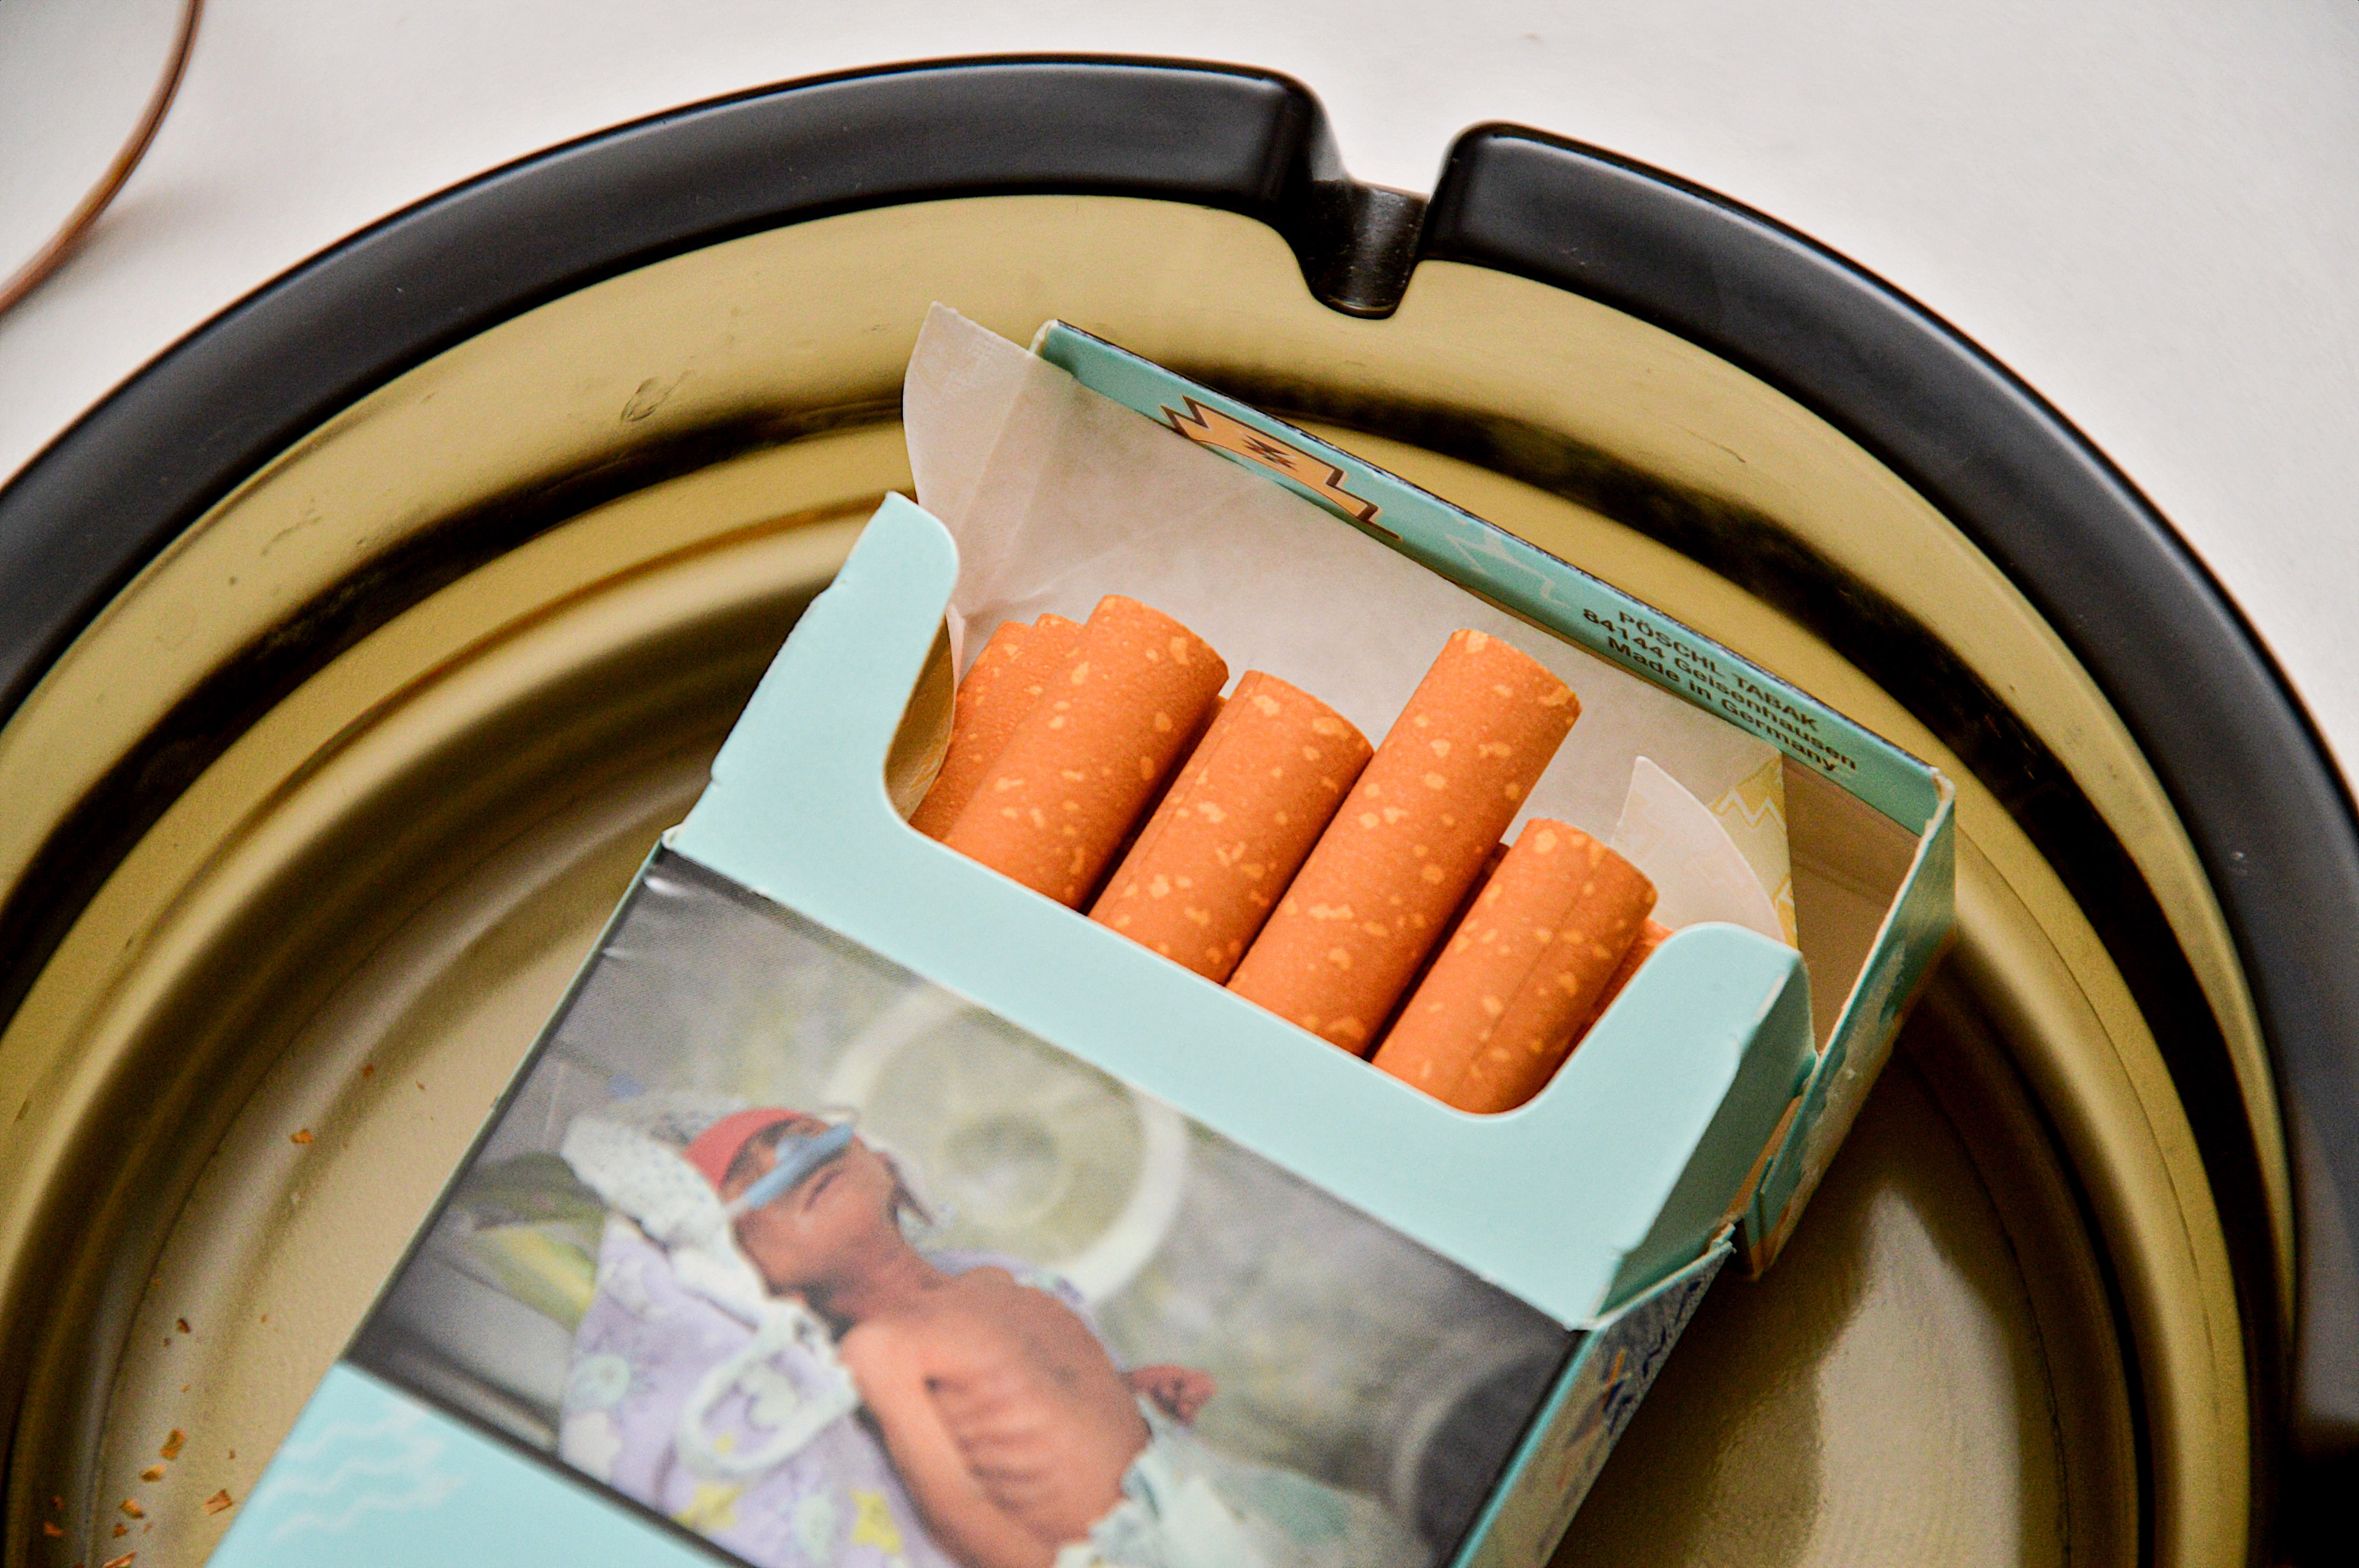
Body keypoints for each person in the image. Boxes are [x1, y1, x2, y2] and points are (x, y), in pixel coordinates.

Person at [690, 1109, 1419, 1568]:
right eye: (748, 1182)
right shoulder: (882, 1349)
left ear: (884, 1164)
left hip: (1210, 1495)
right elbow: (957, 1506)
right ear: (761, 1279)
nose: (787, 1164)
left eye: (798, 1138)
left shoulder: (1001, 1284)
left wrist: (1136, 1393)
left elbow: (1055, 1398)